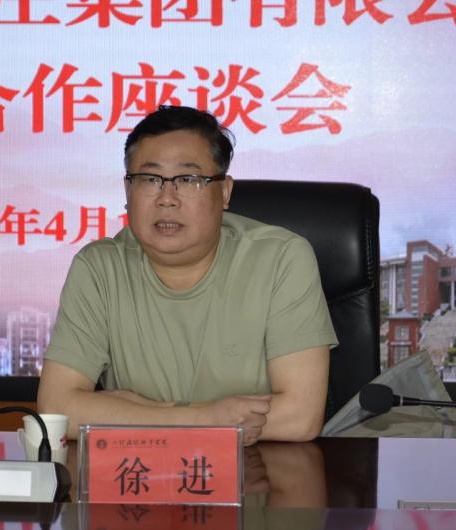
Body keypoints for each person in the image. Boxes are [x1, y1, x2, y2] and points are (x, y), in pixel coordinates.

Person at [37, 106, 337, 446]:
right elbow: (56, 411)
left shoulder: (281, 258)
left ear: (224, 192)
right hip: (139, 472)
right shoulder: (99, 268)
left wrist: (134, 412)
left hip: (259, 471)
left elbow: (299, 418)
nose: (167, 199)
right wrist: (206, 419)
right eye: (149, 179)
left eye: (188, 180)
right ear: (128, 191)